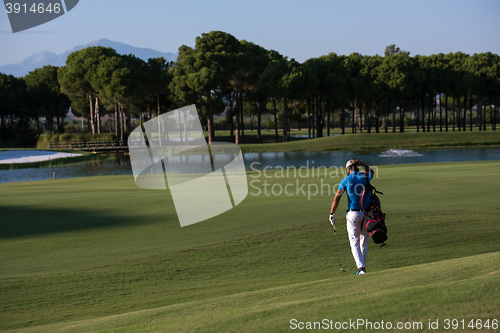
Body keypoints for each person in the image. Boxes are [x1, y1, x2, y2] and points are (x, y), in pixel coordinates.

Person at [329, 158, 374, 275]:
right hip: (367, 214)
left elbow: (336, 199)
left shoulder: (345, 180)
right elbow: (371, 171)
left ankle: (361, 268)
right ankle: (362, 267)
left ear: (348, 169)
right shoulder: (364, 177)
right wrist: (362, 163)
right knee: (364, 243)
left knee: (354, 242)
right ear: (357, 167)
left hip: (353, 214)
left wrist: (332, 213)